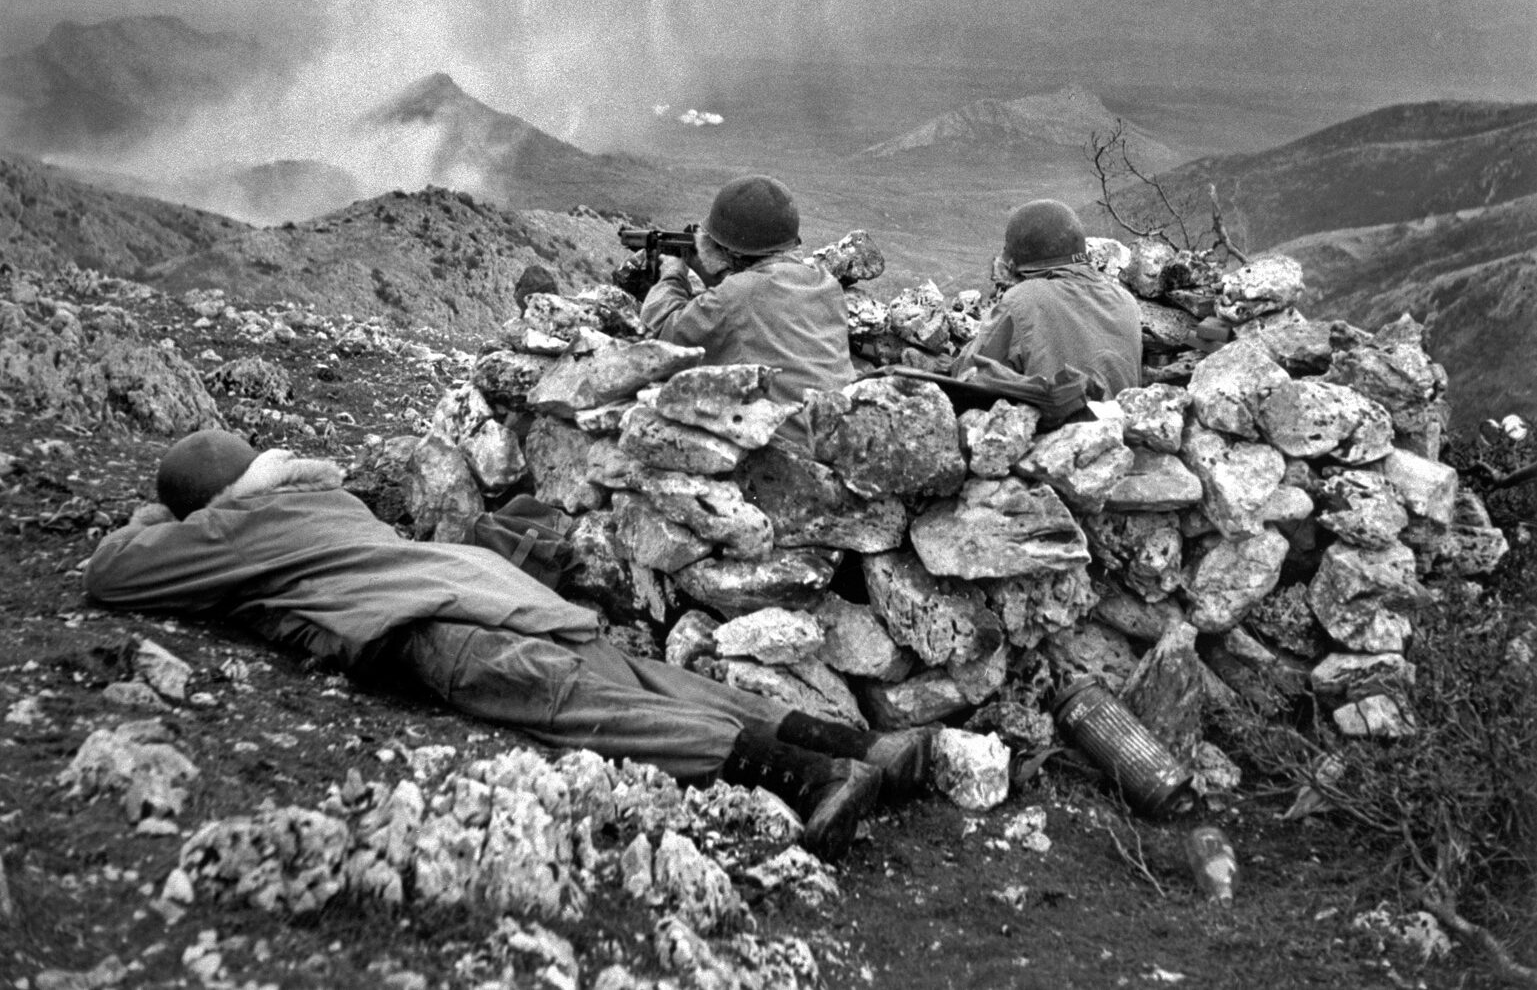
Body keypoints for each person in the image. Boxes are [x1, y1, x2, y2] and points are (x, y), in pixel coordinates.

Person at [85, 430, 929, 861]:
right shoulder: (327, 502)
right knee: (644, 677)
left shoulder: (229, 526)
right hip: (500, 587)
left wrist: (162, 518)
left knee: (581, 708)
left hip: (436, 624)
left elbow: (114, 573)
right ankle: (865, 747)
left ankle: (810, 778)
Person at [639, 175, 855, 444]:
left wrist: (673, 274)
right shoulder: (825, 283)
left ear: (724, 249)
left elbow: (661, 333)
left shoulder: (736, 296)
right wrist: (717, 275)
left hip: (791, 451)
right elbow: (760, 303)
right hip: (843, 440)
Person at [955, 199, 1142, 397]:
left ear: (1015, 266)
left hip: (1061, 424)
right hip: (1123, 425)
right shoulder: (1126, 302)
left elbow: (970, 375)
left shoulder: (1022, 299)